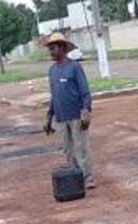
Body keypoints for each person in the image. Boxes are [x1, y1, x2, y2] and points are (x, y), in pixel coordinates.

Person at [44, 32, 95, 189]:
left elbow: (85, 91)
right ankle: (75, 180)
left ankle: (88, 179)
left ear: (62, 48)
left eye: (53, 48)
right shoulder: (52, 71)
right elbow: (54, 95)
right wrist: (49, 116)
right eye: (50, 49)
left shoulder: (74, 67)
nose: (51, 52)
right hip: (61, 117)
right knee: (68, 151)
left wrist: (85, 111)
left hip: (76, 116)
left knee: (80, 149)